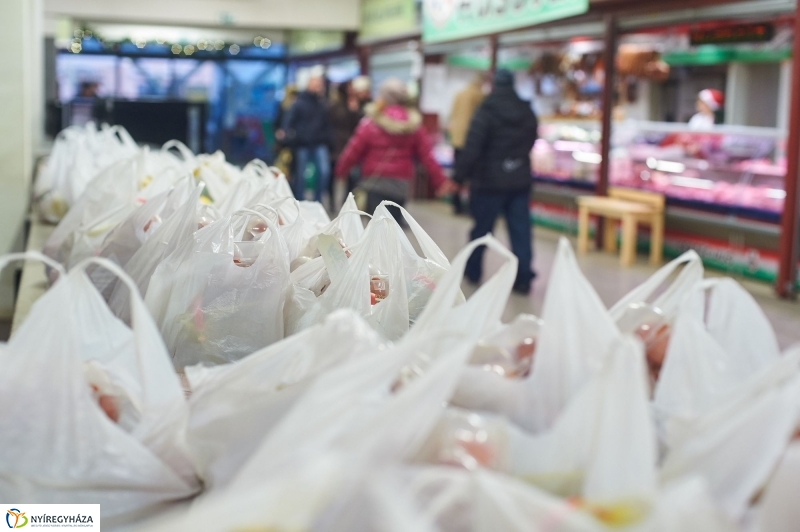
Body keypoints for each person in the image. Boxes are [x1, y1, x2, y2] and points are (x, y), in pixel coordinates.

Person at [456, 69, 538, 295]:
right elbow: (532, 140)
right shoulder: (526, 109)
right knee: (521, 231)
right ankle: (523, 277)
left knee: (481, 230)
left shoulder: (486, 110)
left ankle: (473, 272)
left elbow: (473, 146)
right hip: (519, 180)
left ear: (494, 85)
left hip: (488, 182)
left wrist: (459, 176)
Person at [334, 78, 454, 222]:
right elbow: (426, 155)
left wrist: (341, 171)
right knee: (394, 228)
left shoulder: (370, 123)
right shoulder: (413, 125)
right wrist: (440, 181)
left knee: (376, 228)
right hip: (401, 185)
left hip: (375, 182)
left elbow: (353, 150)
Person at [284, 76, 332, 205]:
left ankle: (317, 202)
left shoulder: (322, 104)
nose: (317, 87)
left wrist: (327, 138)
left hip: (319, 143)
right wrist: (292, 136)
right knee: (300, 175)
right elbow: (289, 122)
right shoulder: (299, 103)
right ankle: (298, 202)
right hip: (302, 144)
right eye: (315, 84)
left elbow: (327, 123)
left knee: (324, 172)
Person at [328, 77, 371, 205]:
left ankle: (348, 202)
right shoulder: (334, 106)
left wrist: (355, 110)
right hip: (336, 144)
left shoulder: (359, 105)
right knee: (334, 174)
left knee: (352, 177)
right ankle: (332, 201)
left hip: (351, 144)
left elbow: (359, 124)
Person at [448, 73, 485, 214]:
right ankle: (471, 206)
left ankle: (456, 204)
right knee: (473, 177)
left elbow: (452, 115)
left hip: (457, 139)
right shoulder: (479, 95)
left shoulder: (459, 94)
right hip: (471, 141)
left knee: (458, 174)